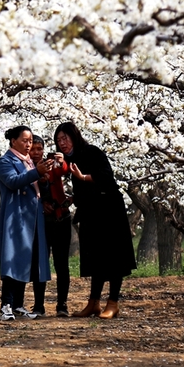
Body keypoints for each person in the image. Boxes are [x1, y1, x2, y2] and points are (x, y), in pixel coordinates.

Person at [53, 122, 136, 319]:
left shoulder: (91, 151)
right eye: (58, 140)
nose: (62, 143)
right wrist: (73, 198)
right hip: (90, 212)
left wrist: (82, 177)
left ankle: (113, 303)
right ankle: (94, 303)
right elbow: (82, 188)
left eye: (65, 138)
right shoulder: (71, 159)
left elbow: (106, 176)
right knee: (96, 257)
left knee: (114, 257)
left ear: (74, 136)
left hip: (109, 210)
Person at [0, 126, 55, 322]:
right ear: (13, 141)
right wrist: (37, 171)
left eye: (30, 141)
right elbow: (13, 182)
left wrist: (43, 177)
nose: (29, 144)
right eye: (25, 140)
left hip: (32, 218)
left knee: (25, 261)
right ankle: (6, 305)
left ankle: (18, 305)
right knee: (13, 261)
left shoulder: (27, 162)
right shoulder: (5, 162)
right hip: (16, 217)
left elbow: (34, 186)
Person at [29, 135, 72, 317]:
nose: (37, 153)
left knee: (62, 264)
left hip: (60, 218)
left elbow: (63, 169)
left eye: (40, 149)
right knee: (40, 263)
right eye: (33, 149)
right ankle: (39, 305)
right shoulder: (27, 168)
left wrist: (62, 161)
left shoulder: (50, 164)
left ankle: (62, 305)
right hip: (40, 222)